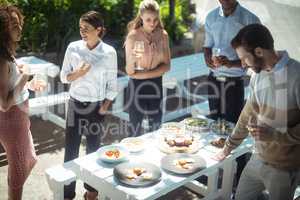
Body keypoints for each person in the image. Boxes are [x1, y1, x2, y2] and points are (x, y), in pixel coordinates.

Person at [216, 23, 300, 200]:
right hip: (257, 158)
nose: (242, 64)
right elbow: (247, 114)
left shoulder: (296, 76)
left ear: (259, 52)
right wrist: (228, 147)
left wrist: (274, 135)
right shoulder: (257, 75)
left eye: (244, 58)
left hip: (284, 169)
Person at [202, 0, 261, 190]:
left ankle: (240, 179)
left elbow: (255, 58)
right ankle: (208, 173)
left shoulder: (250, 20)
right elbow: (207, 45)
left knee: (235, 129)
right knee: (213, 128)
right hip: (214, 80)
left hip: (234, 83)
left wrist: (231, 63)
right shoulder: (211, 16)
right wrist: (208, 59)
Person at [60, 11, 118, 200]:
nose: (82, 32)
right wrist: (78, 74)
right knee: (71, 150)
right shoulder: (73, 48)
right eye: (80, 28)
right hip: (75, 105)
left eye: (86, 29)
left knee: (93, 151)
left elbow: (112, 85)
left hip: (96, 107)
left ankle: (91, 192)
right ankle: (68, 194)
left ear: (99, 30)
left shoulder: (109, 52)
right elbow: (63, 76)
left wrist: (105, 106)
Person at [0, 5, 46, 200]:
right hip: (10, 119)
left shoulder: (8, 52)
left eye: (18, 23)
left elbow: (14, 86)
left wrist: (29, 83)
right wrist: (25, 76)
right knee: (19, 169)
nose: (19, 28)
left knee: (30, 159)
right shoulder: (1, 61)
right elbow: (3, 103)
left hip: (20, 115)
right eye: (13, 25)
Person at [124, 0, 171, 136]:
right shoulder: (132, 36)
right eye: (148, 19)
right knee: (135, 131)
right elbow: (130, 72)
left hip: (155, 85)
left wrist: (143, 75)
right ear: (141, 17)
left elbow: (167, 66)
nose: (152, 23)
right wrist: (132, 58)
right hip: (136, 87)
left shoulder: (163, 35)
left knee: (156, 130)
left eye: (155, 19)